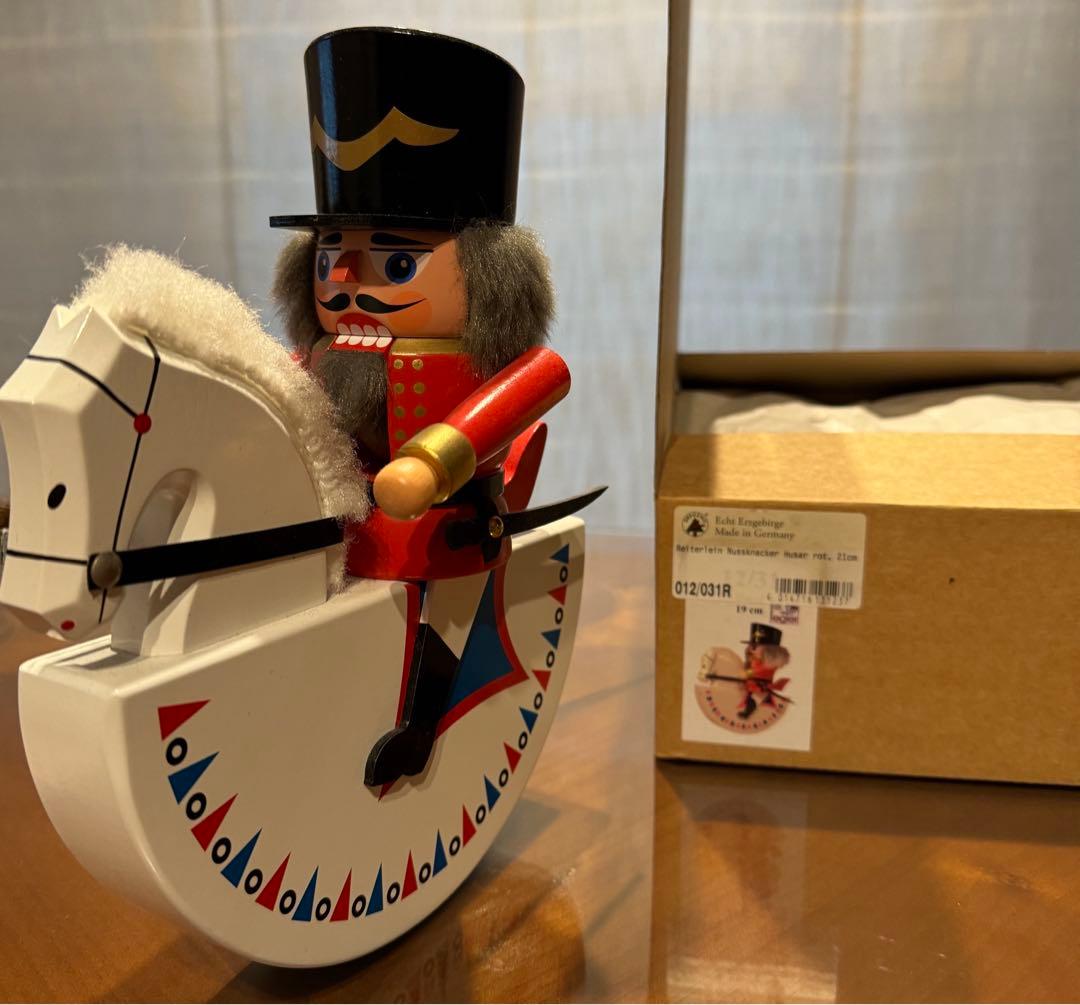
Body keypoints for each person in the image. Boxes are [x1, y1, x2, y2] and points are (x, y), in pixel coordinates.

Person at [269, 27, 571, 786]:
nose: (348, 281)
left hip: (448, 515)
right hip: (343, 515)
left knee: (443, 606)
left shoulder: (485, 362)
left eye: (397, 261)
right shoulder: (328, 354)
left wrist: (431, 464)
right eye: (333, 255)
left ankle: (422, 721)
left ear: (492, 276)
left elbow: (537, 381)